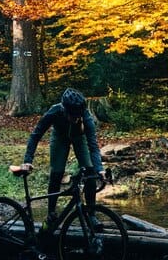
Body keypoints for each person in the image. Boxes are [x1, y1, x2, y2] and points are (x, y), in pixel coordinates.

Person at [16, 88, 105, 225]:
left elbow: (93, 145)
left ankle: (91, 214)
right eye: (72, 116)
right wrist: (28, 160)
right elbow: (36, 135)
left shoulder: (86, 117)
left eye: (78, 116)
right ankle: (51, 213)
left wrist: (100, 169)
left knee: (90, 170)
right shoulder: (55, 111)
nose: (75, 119)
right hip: (59, 137)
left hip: (79, 138)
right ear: (64, 110)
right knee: (57, 172)